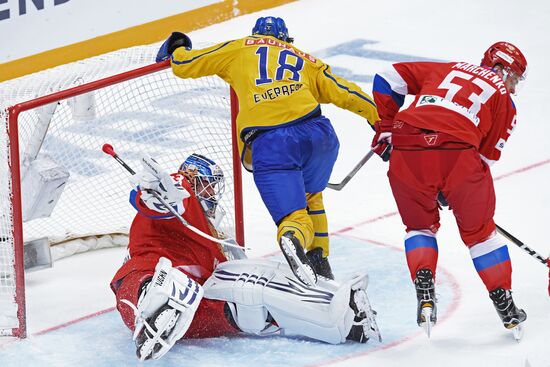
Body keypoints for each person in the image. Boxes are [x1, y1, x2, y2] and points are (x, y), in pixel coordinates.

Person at [154, 16, 380, 286]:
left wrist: (178, 46)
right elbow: (346, 91)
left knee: (294, 218)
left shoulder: (238, 48)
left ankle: (292, 238)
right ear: (285, 40)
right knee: (312, 197)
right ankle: (320, 263)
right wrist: (382, 120)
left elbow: (184, 65)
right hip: (320, 136)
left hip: (273, 144)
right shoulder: (304, 59)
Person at [110, 153, 381, 360]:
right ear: (193, 180)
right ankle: (154, 301)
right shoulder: (181, 197)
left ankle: (344, 318)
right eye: (207, 186)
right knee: (135, 280)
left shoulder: (213, 235)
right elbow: (165, 198)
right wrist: (154, 195)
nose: (212, 194)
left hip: (193, 306)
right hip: (153, 272)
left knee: (253, 299)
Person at [371, 42, 528, 336]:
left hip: (407, 148)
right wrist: (451, 186)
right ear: (499, 68)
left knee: (419, 228)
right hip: (459, 157)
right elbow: (483, 159)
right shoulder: (506, 103)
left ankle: (425, 290)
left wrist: (387, 128)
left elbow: (386, 77)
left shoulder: (447, 68)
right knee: (481, 235)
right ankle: (506, 306)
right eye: (514, 78)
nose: (514, 88)